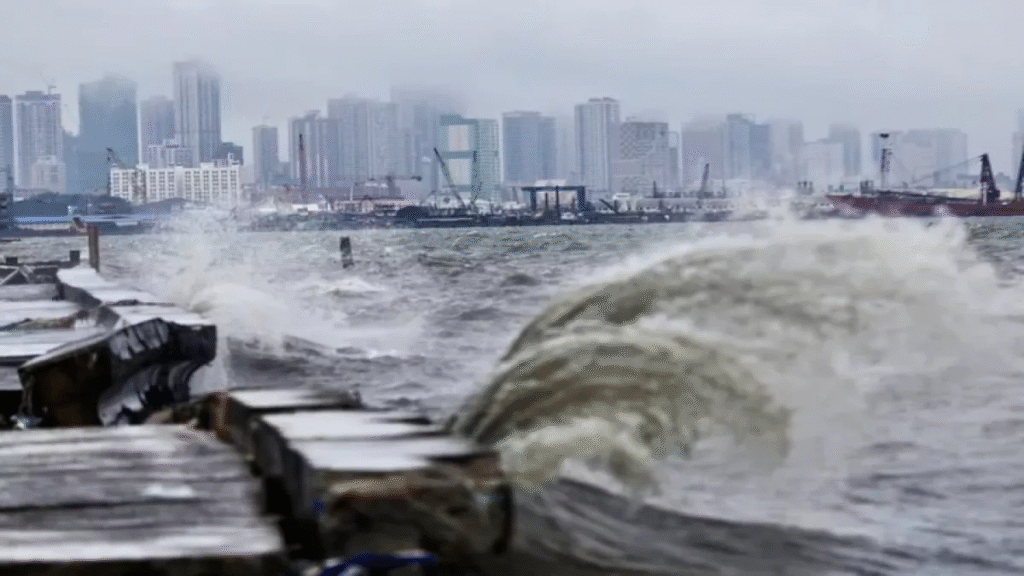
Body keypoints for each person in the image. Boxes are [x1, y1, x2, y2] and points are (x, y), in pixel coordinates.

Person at [317, 550, 439, 576]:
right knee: (395, 560)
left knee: (395, 561)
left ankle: (425, 558)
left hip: (365, 562)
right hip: (364, 563)